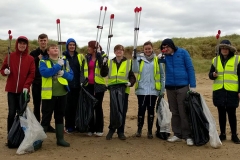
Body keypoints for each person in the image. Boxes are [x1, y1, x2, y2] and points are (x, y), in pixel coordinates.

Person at [159, 38, 196, 146]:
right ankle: (177, 134)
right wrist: (160, 59)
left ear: (172, 46)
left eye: (167, 47)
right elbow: (159, 67)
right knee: (174, 112)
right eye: (163, 48)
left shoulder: (183, 52)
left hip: (183, 86)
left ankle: (187, 135)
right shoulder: (165, 56)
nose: (165, 49)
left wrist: (192, 85)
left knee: (183, 111)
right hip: (170, 87)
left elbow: (190, 68)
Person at [0, 36, 35, 142]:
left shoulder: (30, 59)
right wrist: (5, 72)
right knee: (11, 113)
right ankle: (10, 136)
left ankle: (22, 136)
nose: (22, 45)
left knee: (22, 114)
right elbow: (2, 70)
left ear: (26, 46)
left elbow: (32, 74)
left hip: (23, 91)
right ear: (17, 44)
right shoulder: (10, 56)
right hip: (11, 90)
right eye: (20, 43)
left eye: (24, 44)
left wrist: (26, 86)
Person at [39, 44, 73, 147]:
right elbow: (45, 73)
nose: (55, 49)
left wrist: (64, 74)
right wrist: (57, 66)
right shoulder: (43, 62)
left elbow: (71, 77)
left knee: (59, 116)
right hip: (49, 95)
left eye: (56, 48)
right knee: (46, 117)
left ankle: (60, 139)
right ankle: (39, 141)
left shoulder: (65, 62)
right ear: (48, 52)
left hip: (62, 94)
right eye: (52, 48)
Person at [209, 39, 240, 144]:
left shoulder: (237, 59)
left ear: (230, 49)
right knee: (221, 113)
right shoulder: (215, 60)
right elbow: (210, 75)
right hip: (219, 91)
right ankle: (222, 134)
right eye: (222, 48)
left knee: (232, 113)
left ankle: (234, 135)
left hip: (232, 91)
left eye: (226, 48)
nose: (224, 50)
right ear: (220, 49)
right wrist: (213, 75)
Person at [132, 41, 165, 139]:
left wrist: (162, 89)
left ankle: (150, 131)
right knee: (141, 110)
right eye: (146, 49)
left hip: (153, 90)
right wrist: (134, 59)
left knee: (151, 110)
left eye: (149, 49)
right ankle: (139, 130)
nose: (147, 50)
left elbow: (162, 75)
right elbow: (135, 70)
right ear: (143, 49)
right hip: (141, 90)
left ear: (152, 49)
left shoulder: (157, 59)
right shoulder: (139, 59)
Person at [103, 44, 136, 140]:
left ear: (123, 52)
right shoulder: (110, 62)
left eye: (120, 50)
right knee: (114, 111)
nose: (119, 51)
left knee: (122, 110)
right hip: (112, 90)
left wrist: (130, 83)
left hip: (123, 90)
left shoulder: (128, 63)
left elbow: (132, 76)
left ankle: (120, 131)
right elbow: (103, 74)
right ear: (114, 52)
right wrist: (104, 64)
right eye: (117, 50)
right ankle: (111, 130)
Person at [30, 33, 55, 133]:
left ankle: (46, 125)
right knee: (37, 105)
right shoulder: (33, 53)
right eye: (41, 40)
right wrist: (37, 59)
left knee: (47, 106)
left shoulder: (50, 53)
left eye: (44, 40)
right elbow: (29, 65)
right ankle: (36, 126)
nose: (43, 42)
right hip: (36, 82)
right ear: (38, 41)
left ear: (47, 41)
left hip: (48, 83)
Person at [63, 38, 88, 133]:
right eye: (70, 45)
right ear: (67, 46)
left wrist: (82, 81)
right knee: (67, 107)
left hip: (78, 85)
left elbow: (83, 70)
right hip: (67, 85)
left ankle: (76, 125)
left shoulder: (80, 56)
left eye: (73, 45)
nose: (72, 46)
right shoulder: (63, 57)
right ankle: (68, 126)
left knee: (76, 106)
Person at [85, 40, 108, 137]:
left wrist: (99, 56)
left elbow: (104, 72)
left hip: (99, 85)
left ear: (94, 48)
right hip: (88, 85)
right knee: (89, 107)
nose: (88, 48)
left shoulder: (103, 57)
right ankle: (90, 128)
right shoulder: (87, 57)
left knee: (98, 107)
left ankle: (99, 129)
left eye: (89, 47)